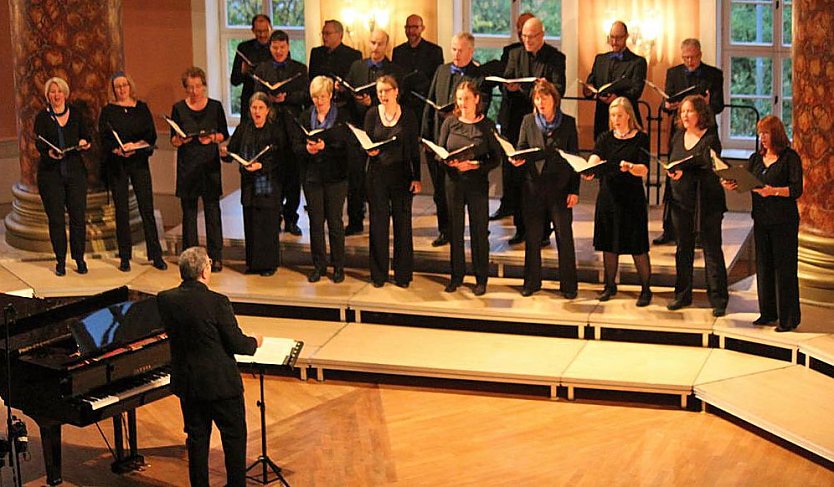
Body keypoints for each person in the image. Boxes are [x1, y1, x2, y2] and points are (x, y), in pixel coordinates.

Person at [157, 246, 262, 487]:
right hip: (221, 385)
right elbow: (238, 344)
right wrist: (255, 341)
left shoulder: (165, 299)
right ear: (205, 271)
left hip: (189, 383)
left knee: (197, 440)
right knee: (234, 439)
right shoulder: (217, 302)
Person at [721, 115, 802, 332]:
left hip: (784, 221)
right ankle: (767, 313)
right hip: (762, 219)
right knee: (764, 266)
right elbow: (744, 182)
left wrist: (772, 191)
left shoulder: (789, 158)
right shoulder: (756, 159)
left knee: (784, 269)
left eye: (765, 133)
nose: (762, 138)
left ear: (776, 134)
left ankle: (788, 318)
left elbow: (796, 189)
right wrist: (731, 183)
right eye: (760, 133)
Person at [500, 17, 567, 245]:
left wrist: (540, 88)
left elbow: (560, 89)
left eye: (531, 36)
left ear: (542, 35)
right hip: (518, 121)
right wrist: (508, 86)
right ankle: (521, 228)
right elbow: (506, 81)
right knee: (518, 179)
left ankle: (544, 231)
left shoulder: (556, 58)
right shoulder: (514, 54)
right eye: (524, 36)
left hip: (544, 125)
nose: (527, 40)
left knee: (543, 177)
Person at [421, 32, 491, 248]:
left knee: (464, 193)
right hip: (438, 140)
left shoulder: (478, 76)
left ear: (471, 51)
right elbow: (430, 102)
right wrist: (424, 135)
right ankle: (446, 230)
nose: (456, 54)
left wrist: (457, 116)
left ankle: (477, 229)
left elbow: (483, 109)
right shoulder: (442, 70)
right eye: (453, 49)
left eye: (461, 50)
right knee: (440, 192)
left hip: (464, 143)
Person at [511, 80, 578, 298]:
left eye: (544, 98)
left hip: (560, 187)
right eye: (537, 98)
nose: (540, 102)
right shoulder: (528, 121)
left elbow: (575, 159)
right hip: (533, 187)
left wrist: (574, 190)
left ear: (554, 100)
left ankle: (568, 286)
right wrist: (517, 159)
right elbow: (521, 147)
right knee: (532, 237)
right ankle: (532, 282)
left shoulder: (568, 123)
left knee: (564, 237)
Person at [654, 38, 725, 245]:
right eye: (686, 57)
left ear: (700, 55)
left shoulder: (713, 74)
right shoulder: (673, 73)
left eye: (693, 57)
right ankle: (670, 230)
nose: (690, 61)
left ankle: (700, 232)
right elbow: (666, 103)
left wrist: (705, 104)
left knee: (701, 179)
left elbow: (719, 105)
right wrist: (668, 104)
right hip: (680, 134)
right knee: (673, 178)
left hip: (704, 133)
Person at [583, 97, 652, 307]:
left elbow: (644, 170)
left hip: (631, 198)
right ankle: (609, 286)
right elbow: (595, 158)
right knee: (608, 243)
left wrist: (631, 167)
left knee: (637, 245)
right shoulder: (605, 138)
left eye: (619, 115)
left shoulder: (640, 138)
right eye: (612, 115)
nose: (615, 119)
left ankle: (646, 288)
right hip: (608, 197)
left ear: (628, 115)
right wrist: (589, 170)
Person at [436, 81, 502, 296]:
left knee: (478, 230)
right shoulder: (450, 123)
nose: (462, 103)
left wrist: (476, 164)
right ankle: (456, 276)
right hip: (454, 182)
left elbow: (496, 159)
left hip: (476, 183)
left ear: (476, 99)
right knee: (454, 229)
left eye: (466, 98)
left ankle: (481, 278)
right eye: (459, 98)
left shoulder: (487, 125)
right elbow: (439, 152)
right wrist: (448, 161)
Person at [99, 72, 167, 272]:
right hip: (118, 164)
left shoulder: (141, 108)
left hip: (139, 162)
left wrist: (135, 145)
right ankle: (125, 257)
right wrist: (117, 149)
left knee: (147, 208)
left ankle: (156, 255)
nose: (121, 89)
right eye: (117, 86)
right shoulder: (108, 111)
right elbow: (104, 138)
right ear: (113, 90)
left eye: (124, 85)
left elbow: (151, 135)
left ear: (130, 86)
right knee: (122, 211)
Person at [666, 95, 728, 316]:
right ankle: (682, 295)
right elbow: (674, 161)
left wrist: (685, 170)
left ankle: (718, 299)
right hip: (681, 201)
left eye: (689, 111)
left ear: (700, 114)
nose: (684, 115)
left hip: (707, 201)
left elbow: (705, 163)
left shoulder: (711, 138)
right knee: (683, 248)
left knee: (712, 249)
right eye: (682, 111)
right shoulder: (677, 137)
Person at [344, 29, 404, 236]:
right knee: (355, 178)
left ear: (386, 45)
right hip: (358, 130)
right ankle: (355, 220)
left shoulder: (394, 69)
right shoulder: (357, 66)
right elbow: (348, 91)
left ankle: (382, 217)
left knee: (379, 179)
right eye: (373, 43)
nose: (376, 48)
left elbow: (399, 100)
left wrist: (373, 103)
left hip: (382, 132)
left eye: (380, 44)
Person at [362, 75, 421, 287]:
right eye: (379, 92)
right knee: (378, 224)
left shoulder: (409, 116)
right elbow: (366, 142)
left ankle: (403, 274)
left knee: (402, 225)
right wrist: (370, 151)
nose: (383, 95)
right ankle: (378, 274)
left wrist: (417, 177)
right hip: (377, 174)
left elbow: (414, 149)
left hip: (402, 175)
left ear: (396, 91)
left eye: (387, 90)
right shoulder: (371, 114)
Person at [170, 67, 229, 273]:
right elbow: (173, 140)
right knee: (189, 213)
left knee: (213, 210)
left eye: (198, 86)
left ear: (204, 86)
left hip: (209, 163)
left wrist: (212, 138)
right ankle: (190, 258)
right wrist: (180, 139)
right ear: (185, 88)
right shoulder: (178, 108)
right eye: (190, 87)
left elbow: (224, 133)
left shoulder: (215, 107)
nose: (195, 91)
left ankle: (216, 256)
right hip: (188, 164)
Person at [221, 92, 286, 276]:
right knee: (250, 224)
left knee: (267, 225)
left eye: (261, 108)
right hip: (249, 184)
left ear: (268, 110)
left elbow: (280, 157)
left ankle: (268, 265)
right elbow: (233, 150)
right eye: (254, 107)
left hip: (268, 184)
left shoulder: (274, 130)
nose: (257, 111)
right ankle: (252, 263)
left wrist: (262, 165)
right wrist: (225, 153)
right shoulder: (244, 128)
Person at [292, 76, 350, 283]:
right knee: (316, 222)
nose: (319, 101)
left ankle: (338, 266)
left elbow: (349, 146)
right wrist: (307, 149)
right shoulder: (305, 116)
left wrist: (327, 147)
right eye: (315, 97)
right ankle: (319, 265)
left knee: (334, 222)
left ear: (331, 95)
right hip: (312, 176)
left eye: (323, 96)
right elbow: (296, 145)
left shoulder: (342, 116)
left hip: (336, 176)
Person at [253, 30, 310, 237]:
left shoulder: (299, 69)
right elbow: (256, 95)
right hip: (270, 127)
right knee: (272, 175)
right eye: (275, 47)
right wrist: (269, 98)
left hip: (293, 127)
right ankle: (274, 217)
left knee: (293, 178)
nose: (279, 51)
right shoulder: (262, 69)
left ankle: (291, 218)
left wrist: (285, 98)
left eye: (282, 47)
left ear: (288, 47)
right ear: (270, 48)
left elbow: (306, 95)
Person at [34, 77, 91, 276]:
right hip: (51, 175)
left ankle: (79, 258)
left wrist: (84, 142)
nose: (56, 95)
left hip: (75, 172)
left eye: (59, 92)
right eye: (52, 92)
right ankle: (60, 260)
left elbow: (87, 136)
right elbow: (39, 143)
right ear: (48, 95)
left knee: (78, 218)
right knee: (56, 219)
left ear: (65, 94)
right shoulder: (42, 117)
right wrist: (49, 153)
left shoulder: (76, 114)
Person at [584, 21, 647, 140]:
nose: (614, 42)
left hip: (626, 120)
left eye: (618, 38)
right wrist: (588, 90)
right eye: (611, 37)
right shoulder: (600, 59)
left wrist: (616, 98)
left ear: (626, 37)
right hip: (602, 118)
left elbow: (636, 91)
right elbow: (591, 83)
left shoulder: (637, 62)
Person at [392, 14, 444, 122]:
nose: (411, 31)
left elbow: (438, 80)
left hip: (425, 105)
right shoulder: (398, 51)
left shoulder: (434, 51)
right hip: (403, 104)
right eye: (408, 27)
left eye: (415, 27)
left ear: (422, 28)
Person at [309, 19, 362, 109]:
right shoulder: (316, 53)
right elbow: (311, 77)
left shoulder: (353, 55)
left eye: (328, 33)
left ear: (340, 34)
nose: (324, 37)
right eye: (323, 33)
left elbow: (355, 82)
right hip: (319, 102)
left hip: (343, 103)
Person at [229, 14, 273, 123]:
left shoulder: (277, 48)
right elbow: (234, 80)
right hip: (250, 99)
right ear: (253, 30)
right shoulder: (244, 48)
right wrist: (243, 71)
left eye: (265, 31)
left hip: (271, 100)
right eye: (258, 31)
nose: (262, 35)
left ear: (271, 29)